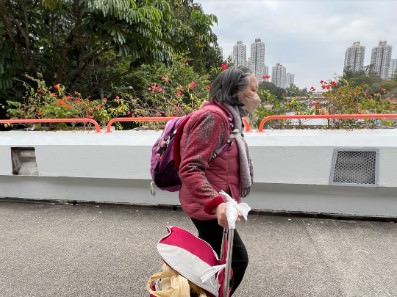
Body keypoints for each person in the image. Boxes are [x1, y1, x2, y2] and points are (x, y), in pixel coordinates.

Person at [178, 65, 260, 295]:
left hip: (216, 203)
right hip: (209, 206)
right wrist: (218, 203)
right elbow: (191, 167)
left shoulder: (230, 118)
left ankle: (193, 292)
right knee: (237, 261)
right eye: (252, 90)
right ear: (234, 91)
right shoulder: (213, 118)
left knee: (211, 260)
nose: (257, 97)